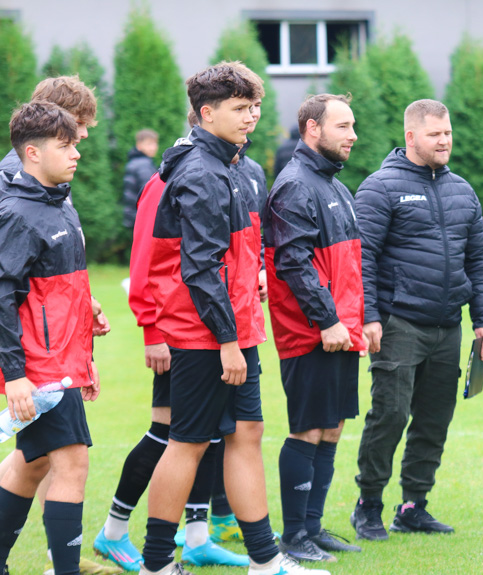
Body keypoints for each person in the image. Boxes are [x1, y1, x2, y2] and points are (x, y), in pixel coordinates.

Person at [141, 63, 324, 575]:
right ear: (207, 112)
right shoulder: (198, 171)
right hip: (203, 335)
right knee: (189, 443)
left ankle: (265, 562)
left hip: (239, 328)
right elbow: (198, 269)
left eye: (254, 107)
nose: (253, 117)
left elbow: (239, 252)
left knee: (247, 433)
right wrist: (225, 340)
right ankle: (156, 564)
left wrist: (253, 284)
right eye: (241, 109)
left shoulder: (244, 167)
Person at [93, 117, 248, 571]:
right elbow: (146, 259)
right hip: (178, 330)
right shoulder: (170, 179)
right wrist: (151, 331)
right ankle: (114, 531)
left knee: (207, 432)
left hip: (210, 327)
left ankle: (197, 536)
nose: (250, 119)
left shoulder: (225, 172)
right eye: (242, 110)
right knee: (170, 434)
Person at [350, 98, 483, 540]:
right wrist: (370, 316)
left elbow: (480, 259)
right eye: (436, 134)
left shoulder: (462, 190)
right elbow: (362, 258)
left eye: (448, 133)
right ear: (411, 137)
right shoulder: (380, 187)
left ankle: (414, 504)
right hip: (399, 324)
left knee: (435, 418)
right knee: (390, 415)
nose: (445, 141)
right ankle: (369, 505)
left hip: (448, 326)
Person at [0, 75, 115, 575]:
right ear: (34, 151)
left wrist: (86, 333)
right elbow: (2, 291)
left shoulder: (55, 195)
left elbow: (57, 280)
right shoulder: (16, 198)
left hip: (61, 354)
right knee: (69, 464)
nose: (81, 147)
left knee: (35, 461)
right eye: (70, 138)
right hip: (39, 360)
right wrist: (16, 373)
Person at [263, 94, 365, 562]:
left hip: (342, 330)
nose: (352, 135)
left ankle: (313, 527)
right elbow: (294, 263)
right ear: (311, 129)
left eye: (352, 126)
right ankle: (294, 536)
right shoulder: (295, 185)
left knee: (333, 427)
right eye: (342, 126)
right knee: (307, 429)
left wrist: (358, 322)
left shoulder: (333, 184)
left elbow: (349, 265)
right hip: (311, 333)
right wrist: (326, 321)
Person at [122, 129, 159, 230]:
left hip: (134, 215)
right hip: (143, 218)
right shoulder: (144, 165)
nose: (154, 147)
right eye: (149, 144)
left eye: (155, 144)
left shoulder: (134, 161)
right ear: (139, 145)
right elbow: (150, 193)